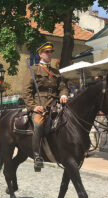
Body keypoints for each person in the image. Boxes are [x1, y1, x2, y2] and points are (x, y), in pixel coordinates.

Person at [22, 42, 69, 172]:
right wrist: (33, 107)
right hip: (40, 106)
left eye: (51, 52)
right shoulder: (34, 70)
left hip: (55, 104)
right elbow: (26, 91)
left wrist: (64, 95)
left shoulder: (55, 72)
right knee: (38, 124)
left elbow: (63, 87)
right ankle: (37, 156)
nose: (49, 54)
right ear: (40, 54)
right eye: (46, 52)